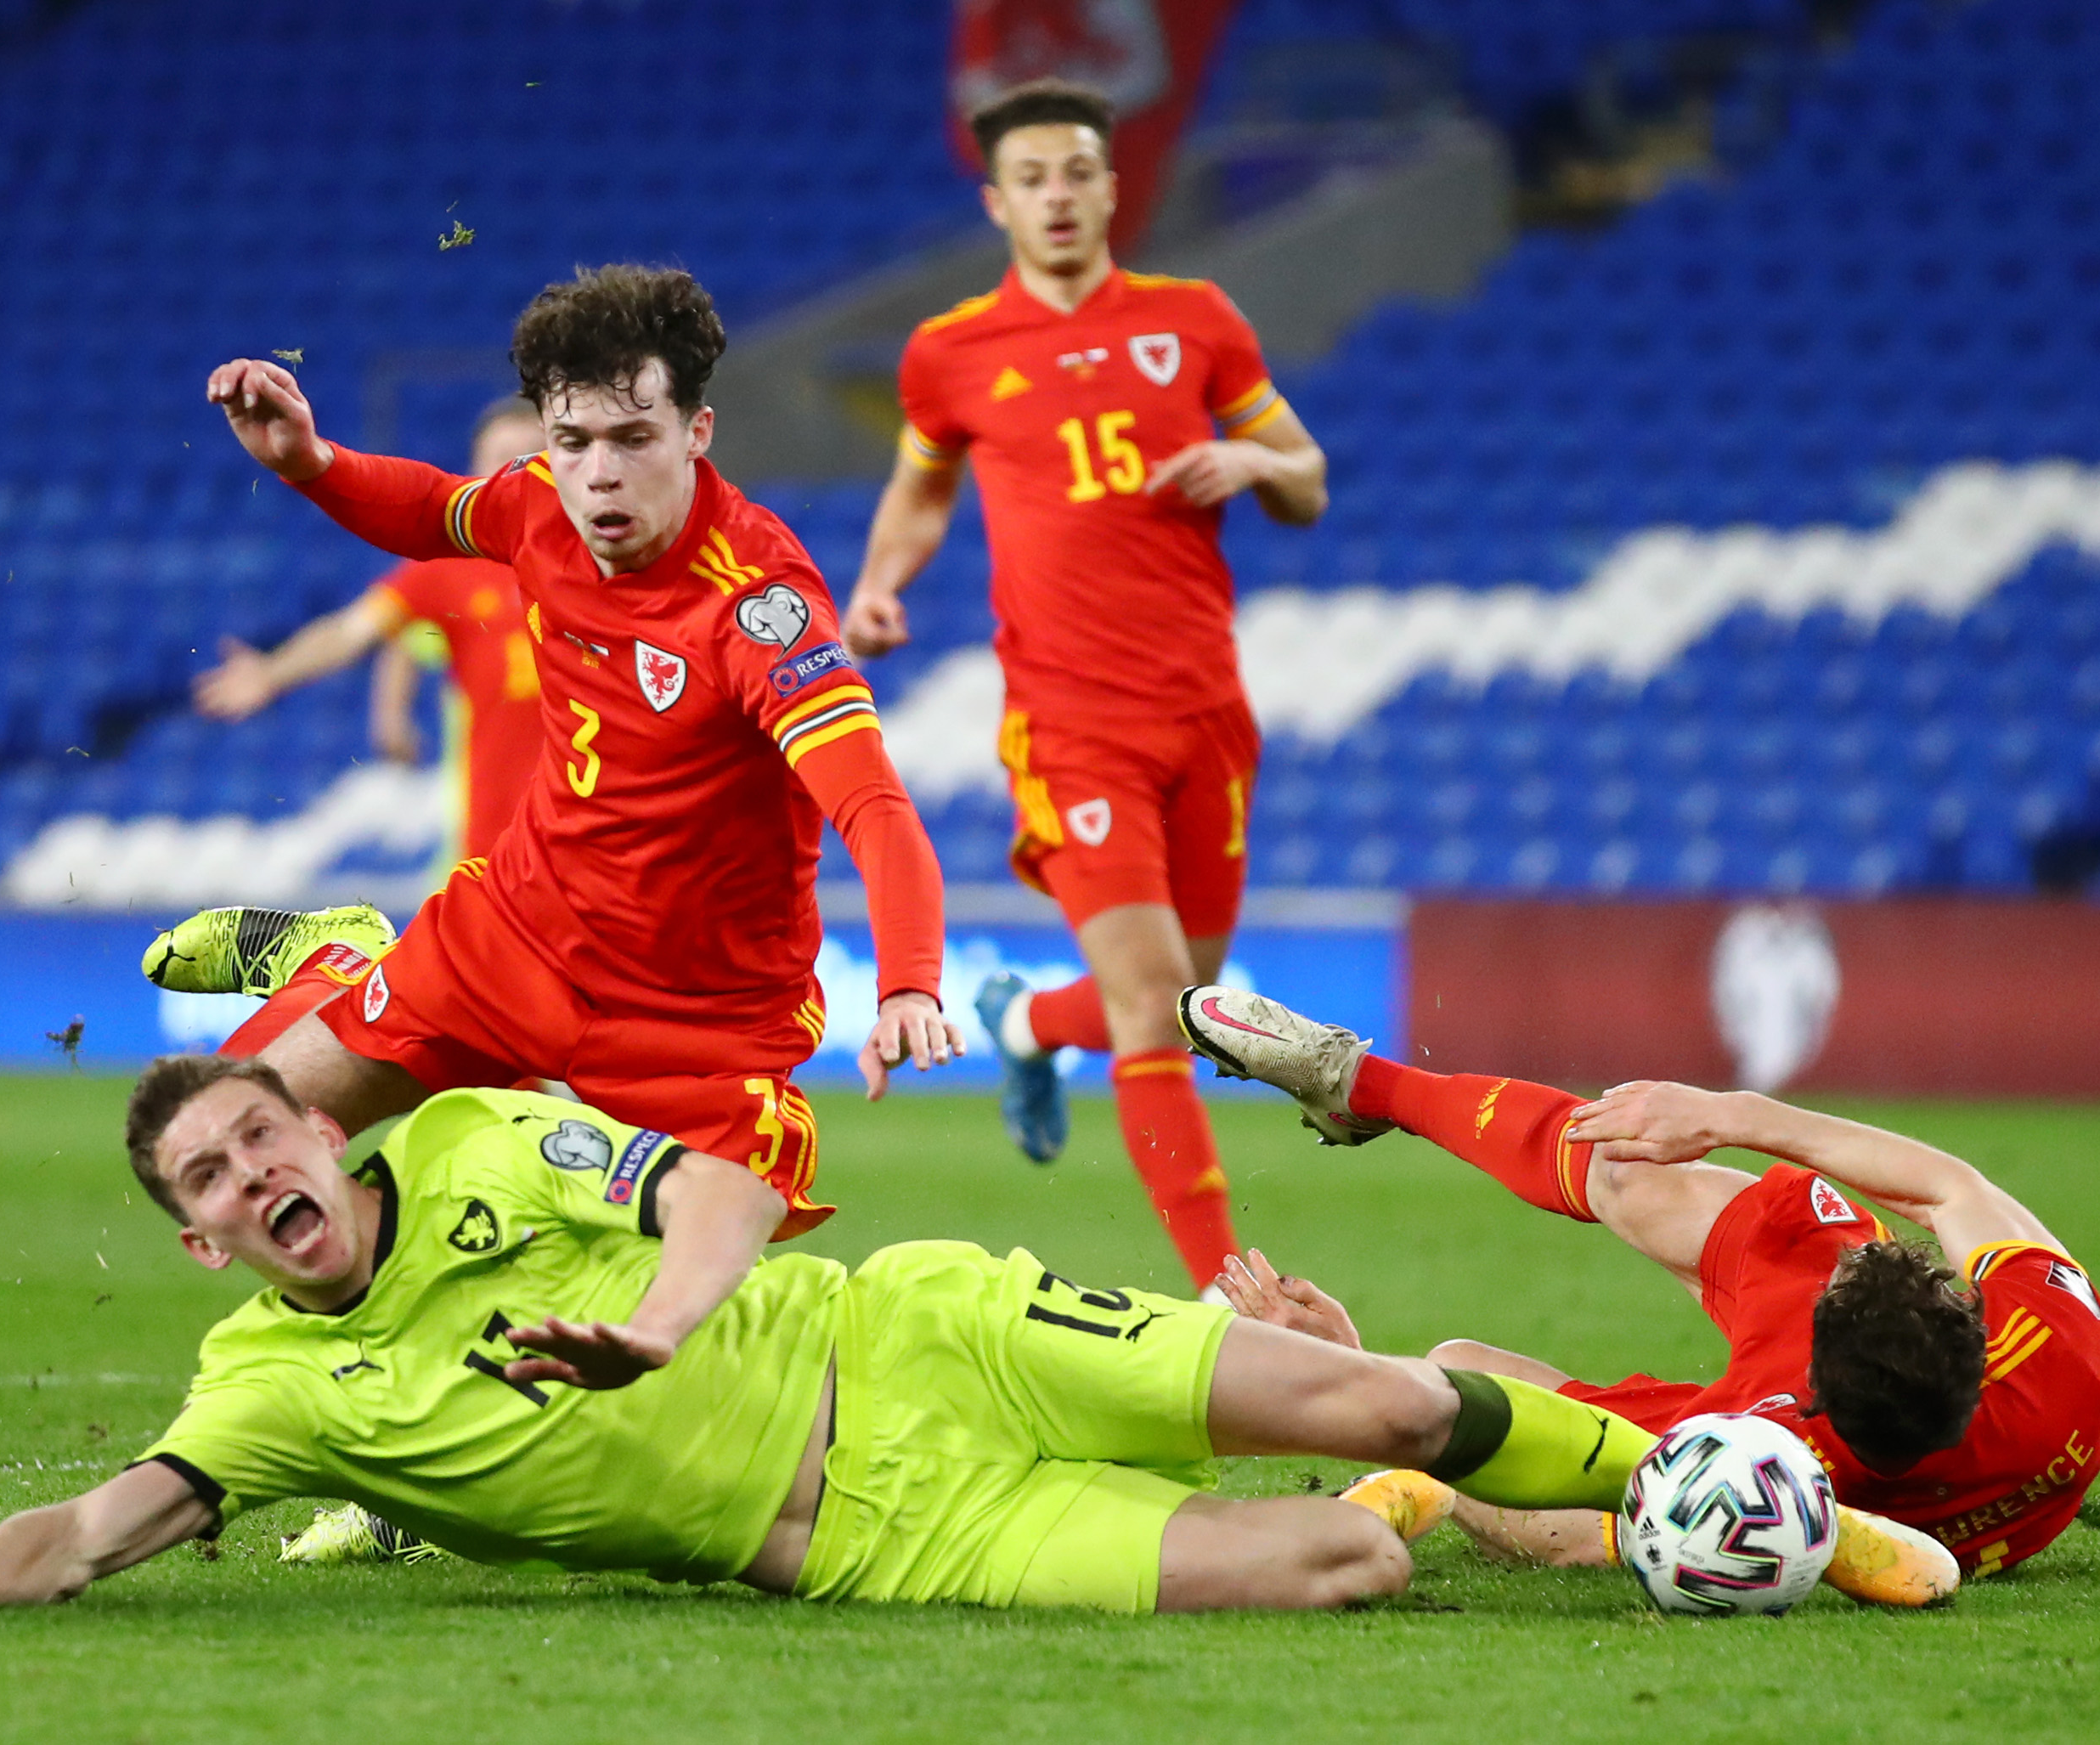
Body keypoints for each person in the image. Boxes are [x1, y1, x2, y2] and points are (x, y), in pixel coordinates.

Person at [0, 1053, 1674, 1618]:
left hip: (928, 1340)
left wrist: (661, 1330)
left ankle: (1686, 1479)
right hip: (886, 1540)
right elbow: (90, 1527)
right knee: (1338, 1544)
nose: (257, 1175)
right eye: (216, 1178)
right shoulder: (266, 1394)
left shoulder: (488, 1133)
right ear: (200, 1240)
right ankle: (1463, 1490)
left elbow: (725, 1197)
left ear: (319, 1128)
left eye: (264, 1133)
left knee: (1373, 1388)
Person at [161, 266, 963, 1244]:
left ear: (695, 435)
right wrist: (311, 460)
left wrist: (911, 981)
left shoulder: (759, 606)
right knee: (228, 1145)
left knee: (681, 1329)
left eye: (633, 439)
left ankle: (354, 972)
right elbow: (433, 510)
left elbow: (873, 805)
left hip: (694, 1024)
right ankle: (345, 963)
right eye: (573, 441)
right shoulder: (541, 501)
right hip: (516, 935)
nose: (598, 474)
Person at [842, 79, 1328, 1291]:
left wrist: (1250, 458)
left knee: (1186, 1006)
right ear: (995, 200)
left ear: (1111, 187)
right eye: (1031, 178)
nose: (1055, 196)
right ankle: (1229, 1287)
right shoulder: (948, 353)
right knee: (1160, 996)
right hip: (1068, 721)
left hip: (1206, 710)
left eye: (1075, 173)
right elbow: (920, 488)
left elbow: (1310, 476)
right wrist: (877, 585)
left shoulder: (1196, 321)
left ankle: (1021, 1023)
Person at [1180, 983, 2100, 1584]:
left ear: (1813, 1373)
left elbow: (1560, 1528)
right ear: (1976, 1332)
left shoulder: (1756, 1453)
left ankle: (1361, 1123)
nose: (1885, 1243)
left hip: (1788, 1425)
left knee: (1458, 1369)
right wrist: (1726, 1114)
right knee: (1630, 1165)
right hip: (1901, 1430)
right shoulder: (2063, 1351)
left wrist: (1371, 1381)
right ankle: (1356, 1083)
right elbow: (1949, 1186)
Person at [190, 395, 549, 867]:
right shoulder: (450, 569)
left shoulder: (607, 559)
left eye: (530, 458)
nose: (515, 474)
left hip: (598, 842)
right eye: (501, 459)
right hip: (495, 846)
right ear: (477, 471)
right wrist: (273, 671)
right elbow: (355, 631)